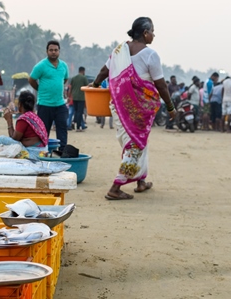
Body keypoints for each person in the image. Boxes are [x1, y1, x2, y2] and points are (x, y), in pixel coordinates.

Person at [91, 17, 176, 200]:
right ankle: (115, 187)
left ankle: (141, 181)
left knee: (139, 142)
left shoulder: (119, 50)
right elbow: (161, 85)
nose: (154, 34)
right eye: (152, 31)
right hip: (137, 108)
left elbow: (104, 72)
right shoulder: (150, 55)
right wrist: (170, 107)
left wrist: (96, 84)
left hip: (120, 106)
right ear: (145, 33)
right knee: (135, 145)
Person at [29, 40, 69, 152]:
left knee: (62, 129)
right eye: (51, 50)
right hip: (44, 104)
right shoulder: (41, 66)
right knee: (43, 131)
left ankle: (62, 151)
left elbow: (65, 79)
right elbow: (31, 79)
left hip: (60, 104)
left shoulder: (64, 66)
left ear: (59, 51)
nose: (53, 52)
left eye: (56, 50)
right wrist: (39, 89)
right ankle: (43, 151)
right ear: (47, 51)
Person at [0, 91, 48, 159]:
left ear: (20, 105)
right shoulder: (35, 117)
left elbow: (14, 139)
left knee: (0, 139)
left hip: (34, 154)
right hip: (43, 152)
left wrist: (9, 121)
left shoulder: (24, 119)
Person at [69, 66, 89, 132]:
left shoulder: (73, 78)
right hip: (81, 97)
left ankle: (74, 123)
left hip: (74, 97)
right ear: (83, 71)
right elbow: (87, 86)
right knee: (80, 112)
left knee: (76, 111)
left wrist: (69, 96)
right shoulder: (84, 78)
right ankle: (77, 126)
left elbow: (70, 88)